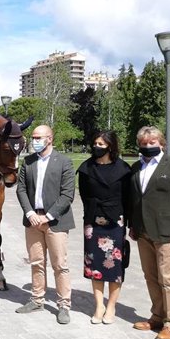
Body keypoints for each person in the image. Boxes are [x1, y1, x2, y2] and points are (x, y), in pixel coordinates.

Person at [127, 126, 170, 339]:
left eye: (152, 143)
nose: (148, 147)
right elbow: (135, 199)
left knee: (168, 279)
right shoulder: (137, 167)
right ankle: (157, 316)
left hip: (167, 233)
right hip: (143, 231)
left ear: (161, 144)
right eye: (144, 144)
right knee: (151, 277)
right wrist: (132, 225)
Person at [15, 124, 75, 324]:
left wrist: (48, 216)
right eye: (33, 137)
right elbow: (21, 189)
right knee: (37, 262)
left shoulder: (64, 162)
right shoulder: (28, 161)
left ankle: (64, 305)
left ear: (50, 138)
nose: (35, 141)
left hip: (55, 221)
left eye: (39, 137)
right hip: (33, 221)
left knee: (60, 264)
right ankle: (37, 299)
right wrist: (30, 212)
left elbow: (68, 194)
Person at [77, 130, 131, 324]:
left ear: (111, 146)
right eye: (95, 143)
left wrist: (126, 221)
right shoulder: (86, 168)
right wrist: (92, 216)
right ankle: (99, 305)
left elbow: (128, 198)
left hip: (116, 222)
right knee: (95, 265)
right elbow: (84, 195)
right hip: (93, 222)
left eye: (102, 144)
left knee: (115, 267)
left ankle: (111, 307)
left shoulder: (123, 169)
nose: (97, 147)